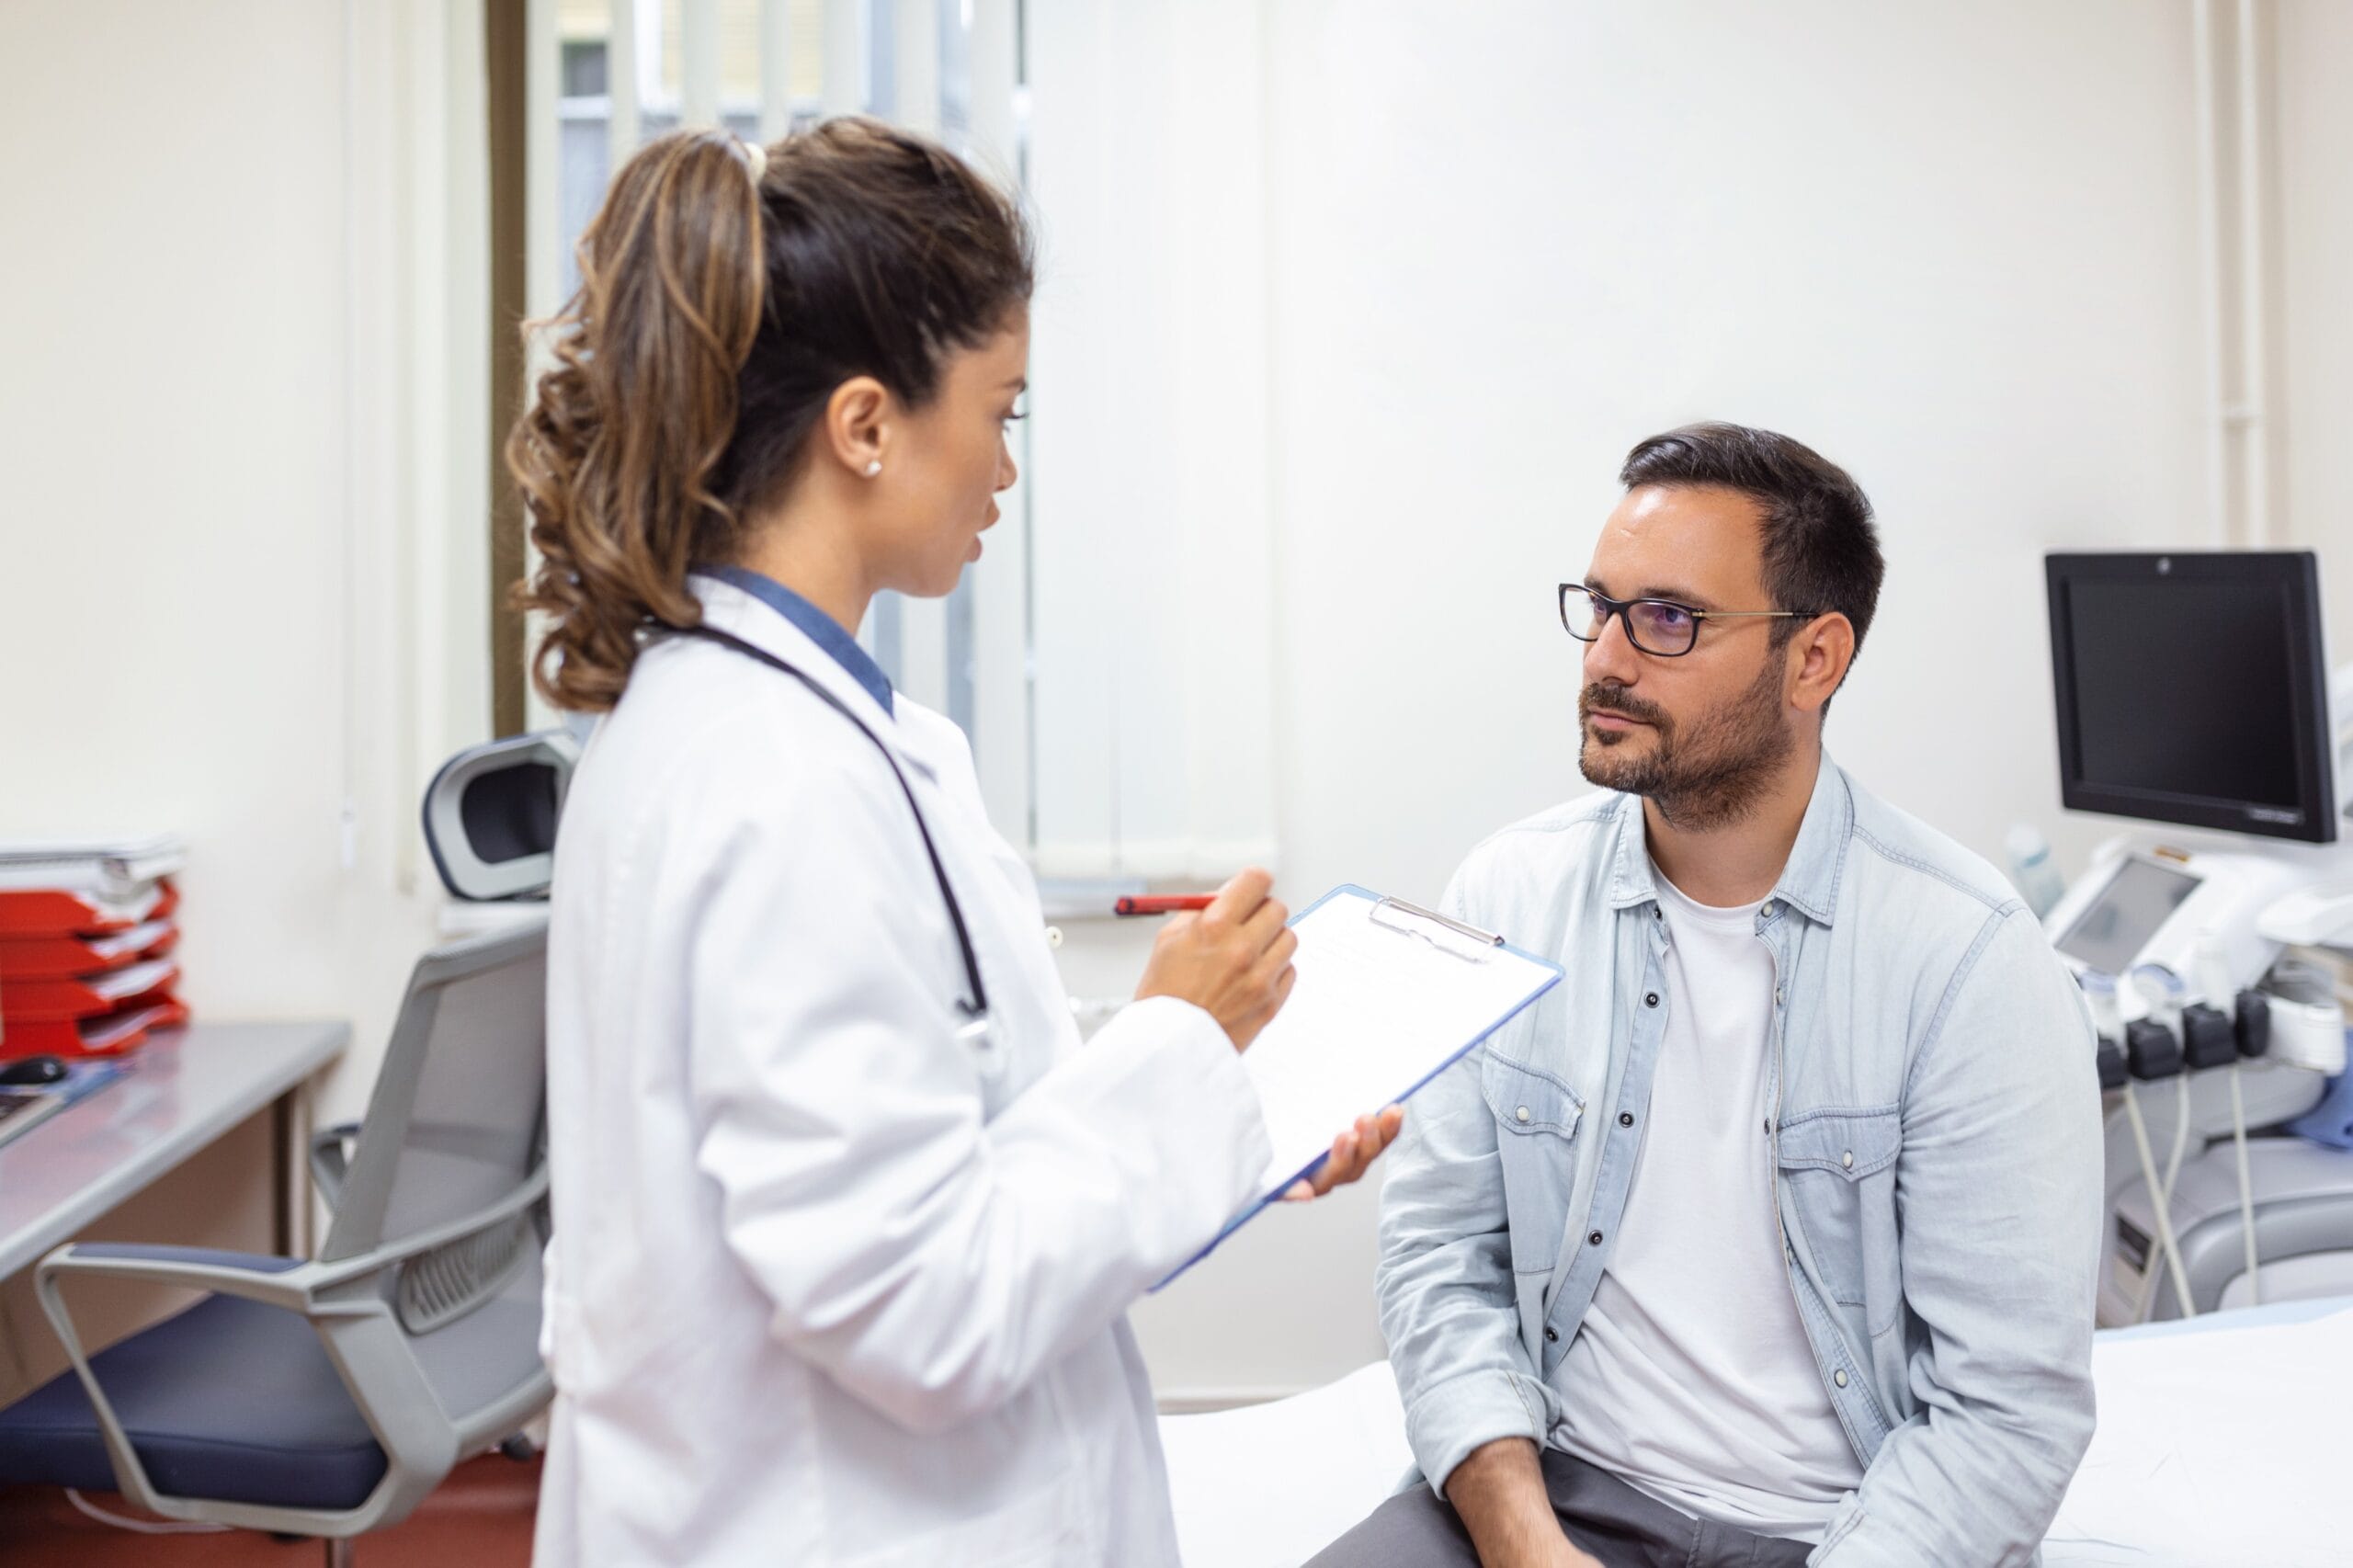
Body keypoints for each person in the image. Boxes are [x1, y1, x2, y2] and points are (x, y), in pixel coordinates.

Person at [510, 119, 1401, 1568]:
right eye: (1002, 408)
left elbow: (944, 1102)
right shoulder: (776, 780)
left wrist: (1211, 1074)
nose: (1003, 462)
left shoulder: (796, 731)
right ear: (867, 424)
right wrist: (1176, 1048)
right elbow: (920, 1299)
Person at [1312, 424, 2101, 1567]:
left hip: (1838, 1534)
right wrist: (1525, 1540)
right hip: (1555, 1493)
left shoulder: (1968, 961)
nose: (1607, 659)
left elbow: (2008, 1414)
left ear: (1813, 659)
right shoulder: (1508, 893)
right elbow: (1441, 1259)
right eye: (1602, 605)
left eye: (1670, 618)